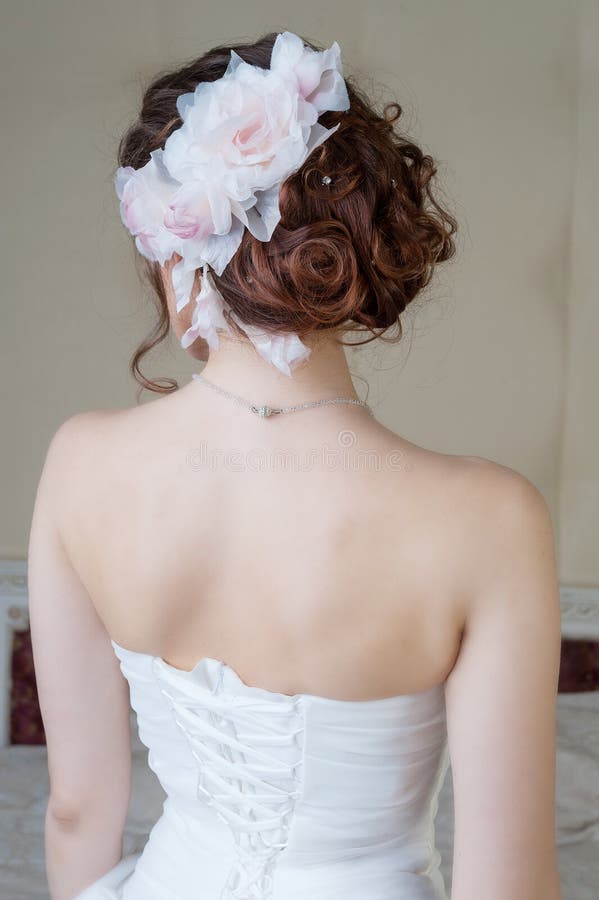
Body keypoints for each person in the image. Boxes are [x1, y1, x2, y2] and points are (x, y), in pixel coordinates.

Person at [27, 29, 563, 900]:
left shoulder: (81, 462)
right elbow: (509, 886)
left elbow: (79, 812)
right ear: (358, 247)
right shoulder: (489, 519)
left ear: (173, 248)